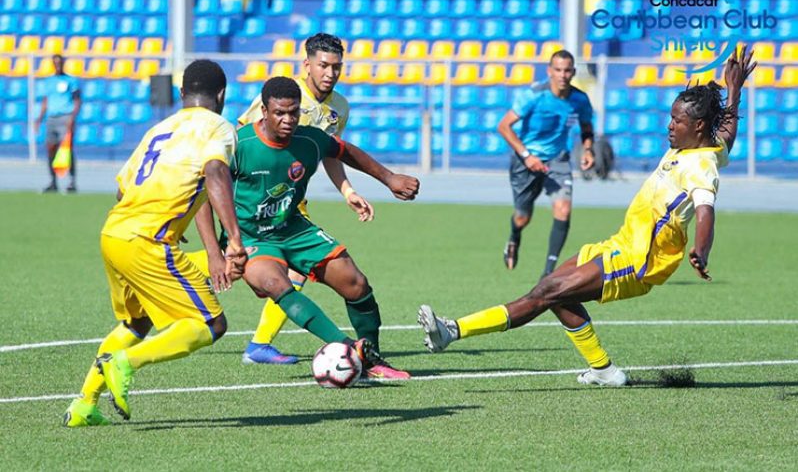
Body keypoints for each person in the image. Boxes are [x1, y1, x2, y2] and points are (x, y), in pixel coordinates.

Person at [419, 46, 757, 387]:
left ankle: (452, 331)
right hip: (619, 244)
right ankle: (604, 371)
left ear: (697, 126)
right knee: (552, 290)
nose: (670, 125)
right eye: (671, 117)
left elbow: (705, 211)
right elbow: (724, 134)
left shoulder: (701, 166)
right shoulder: (697, 148)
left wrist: (701, 250)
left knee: (548, 290)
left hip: (640, 259)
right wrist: (734, 91)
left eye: (677, 120)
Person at [62, 60, 248, 427]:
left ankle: (85, 404)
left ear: (181, 94)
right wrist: (235, 239)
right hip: (147, 239)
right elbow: (215, 172)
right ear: (222, 95)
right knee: (211, 324)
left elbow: (122, 188)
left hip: (114, 232)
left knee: (137, 322)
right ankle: (125, 364)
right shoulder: (219, 127)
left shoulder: (159, 129)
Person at [231, 32, 416, 365]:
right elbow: (242, 141)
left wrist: (347, 191)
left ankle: (262, 344)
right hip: (259, 207)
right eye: (323, 65)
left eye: (337, 67)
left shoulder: (339, 107)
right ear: (307, 65)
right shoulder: (285, 96)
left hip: (292, 203)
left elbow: (330, 152)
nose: (330, 73)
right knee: (285, 273)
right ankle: (260, 343)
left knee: (312, 273)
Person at [498, 49, 595, 277]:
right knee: (522, 217)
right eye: (558, 70)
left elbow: (587, 127)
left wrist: (588, 149)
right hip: (526, 160)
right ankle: (514, 237)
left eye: (567, 70)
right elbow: (504, 126)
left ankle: (548, 272)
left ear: (573, 72)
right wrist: (527, 156)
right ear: (549, 71)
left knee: (563, 209)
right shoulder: (534, 95)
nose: (562, 75)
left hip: (558, 160)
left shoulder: (580, 99)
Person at [35, 54, 82, 193]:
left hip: (65, 117)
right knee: (51, 149)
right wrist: (39, 119)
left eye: (60, 62)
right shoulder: (48, 81)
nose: (58, 65)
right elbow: (45, 101)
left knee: (67, 149)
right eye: (55, 63)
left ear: (63, 63)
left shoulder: (71, 80)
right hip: (51, 118)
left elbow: (77, 100)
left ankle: (72, 181)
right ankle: (53, 181)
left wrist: (72, 117)